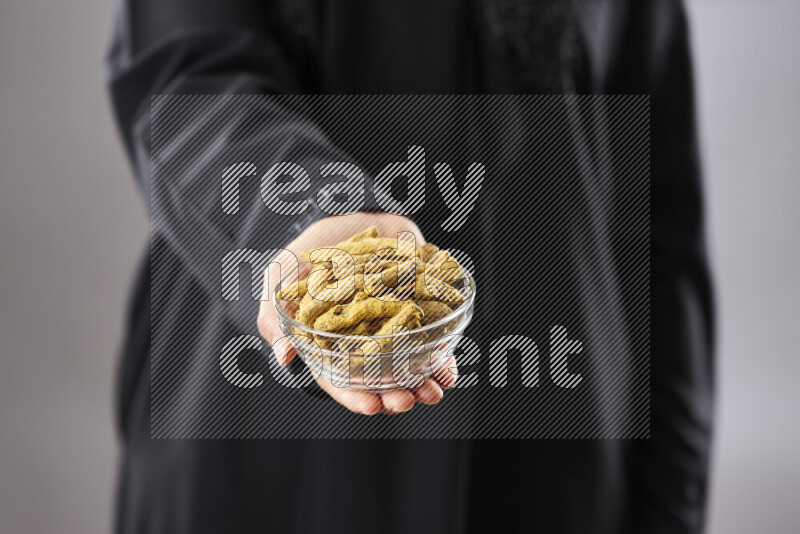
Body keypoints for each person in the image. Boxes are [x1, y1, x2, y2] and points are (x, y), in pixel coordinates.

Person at [106, 1, 714, 532]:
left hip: (556, 465)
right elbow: (186, 75)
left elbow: (658, 220)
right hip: (262, 456)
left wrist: (671, 501)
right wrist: (314, 223)